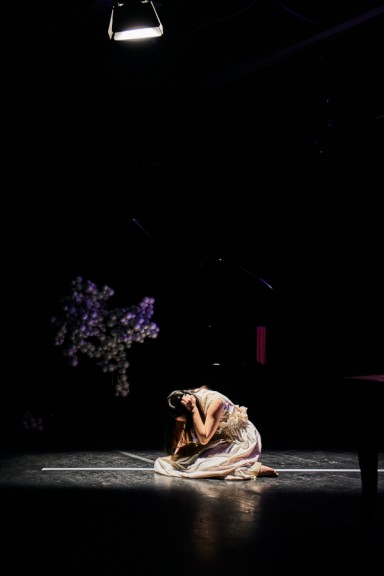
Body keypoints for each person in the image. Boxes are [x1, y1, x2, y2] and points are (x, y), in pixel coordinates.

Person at [154, 386, 278, 480]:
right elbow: (184, 428)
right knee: (179, 464)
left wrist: (194, 410)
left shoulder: (214, 403)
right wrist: (179, 456)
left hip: (237, 439)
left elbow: (204, 438)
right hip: (217, 437)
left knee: (202, 466)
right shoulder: (187, 399)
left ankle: (251, 468)